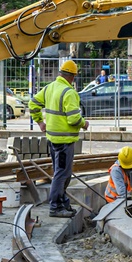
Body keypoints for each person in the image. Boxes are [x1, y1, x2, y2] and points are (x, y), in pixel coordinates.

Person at [29, 60, 88, 218]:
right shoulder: (69, 93)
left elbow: (32, 103)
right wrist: (84, 123)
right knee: (62, 174)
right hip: (64, 142)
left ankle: (62, 202)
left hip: (53, 140)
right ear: (72, 76)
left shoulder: (50, 88)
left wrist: (40, 122)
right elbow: (74, 119)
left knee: (61, 173)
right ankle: (55, 206)